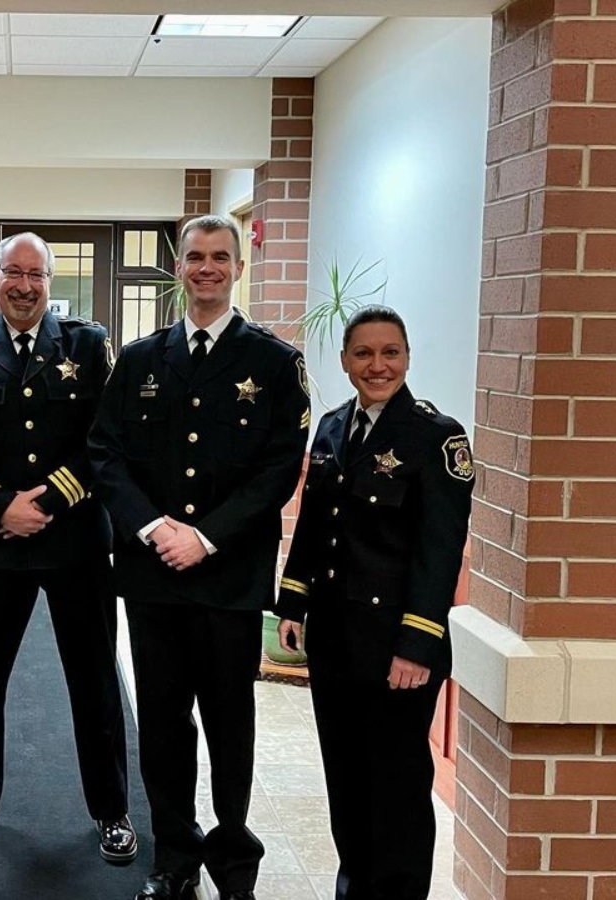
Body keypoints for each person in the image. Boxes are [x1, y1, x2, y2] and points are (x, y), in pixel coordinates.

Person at [88, 214, 310, 900]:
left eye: (220, 256)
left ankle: (234, 857)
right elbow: (105, 452)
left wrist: (206, 536)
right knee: (160, 723)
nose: (207, 267)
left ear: (238, 267)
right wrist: (156, 528)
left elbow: (279, 467)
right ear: (178, 267)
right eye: (195, 257)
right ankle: (174, 855)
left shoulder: (274, 363)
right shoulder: (141, 359)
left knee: (228, 721)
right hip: (155, 578)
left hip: (230, 579)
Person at [0, 231, 135, 865]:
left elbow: (104, 440)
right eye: (12, 273)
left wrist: (42, 503)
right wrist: (0, 506)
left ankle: (111, 811)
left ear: (52, 282)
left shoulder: (87, 345)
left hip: (75, 543)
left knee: (95, 681)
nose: (24, 285)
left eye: (36, 275)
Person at [276, 306, 473, 900]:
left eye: (390, 352)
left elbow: (439, 555)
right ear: (344, 361)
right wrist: (293, 603)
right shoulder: (334, 426)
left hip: (397, 648)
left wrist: (417, 646)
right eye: (364, 353)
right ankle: (354, 885)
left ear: (407, 358)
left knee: (397, 786)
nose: (377, 365)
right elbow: (314, 526)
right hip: (337, 640)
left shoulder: (437, 437)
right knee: (347, 775)